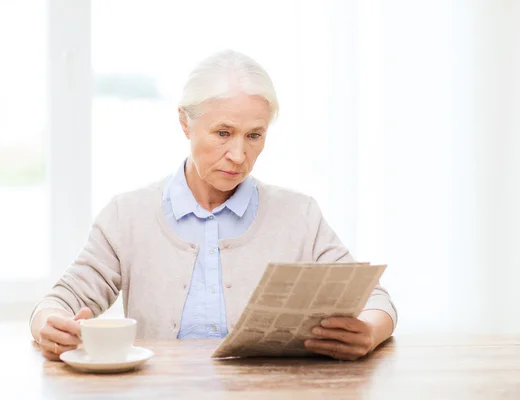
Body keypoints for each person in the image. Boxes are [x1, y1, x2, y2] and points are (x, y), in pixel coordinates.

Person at [30, 49, 397, 362]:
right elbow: (60, 301)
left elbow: (375, 299)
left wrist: (369, 331)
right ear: (185, 124)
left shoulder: (299, 215)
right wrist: (50, 325)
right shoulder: (127, 216)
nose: (238, 155)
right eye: (223, 133)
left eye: (254, 136)